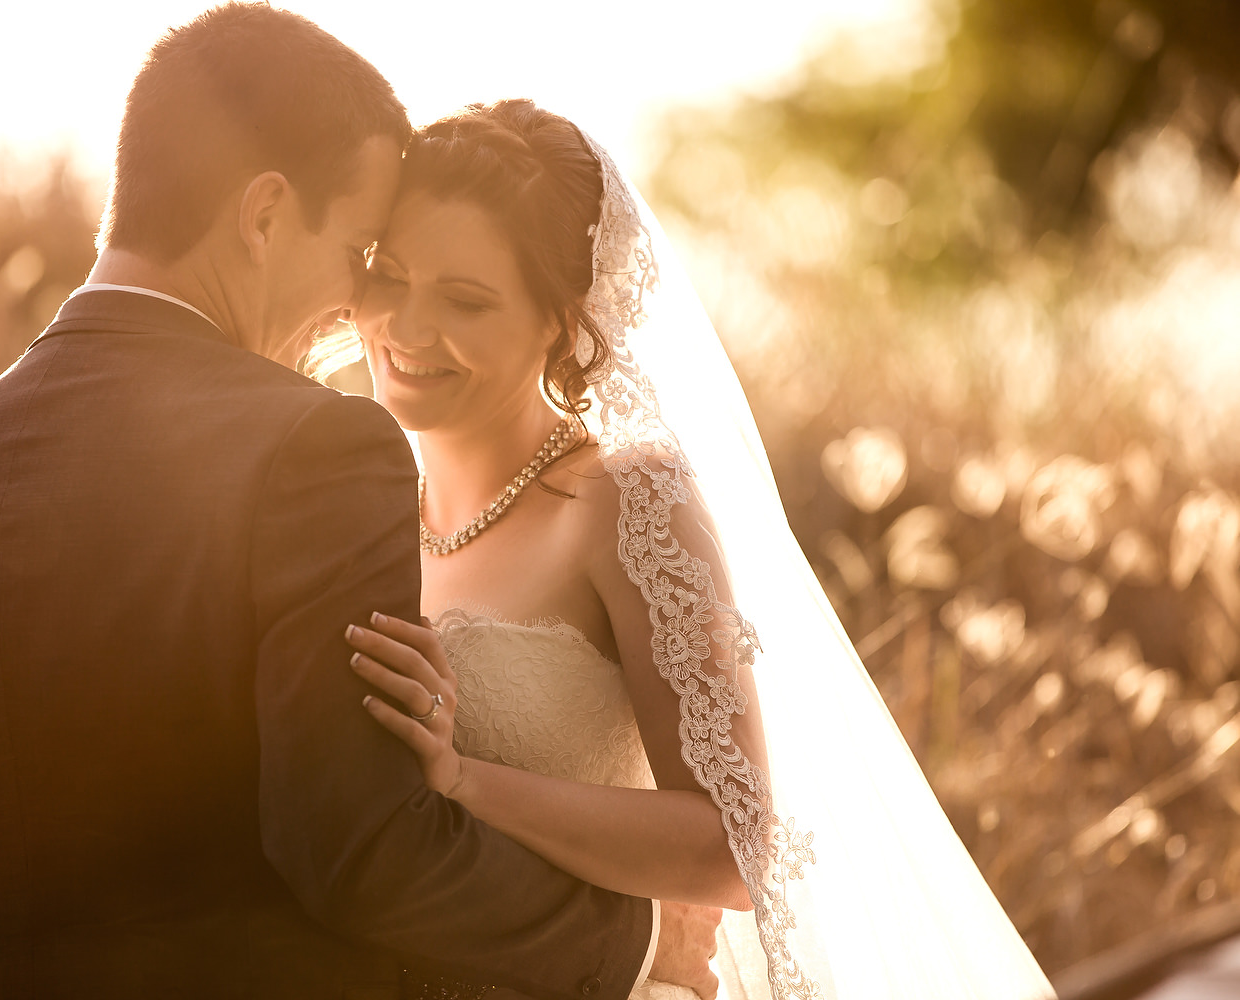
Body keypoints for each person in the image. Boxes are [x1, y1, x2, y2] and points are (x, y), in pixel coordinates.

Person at [0, 7, 720, 998]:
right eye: (361, 260)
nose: (358, 312)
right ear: (264, 215)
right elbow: (358, 852)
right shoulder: (315, 444)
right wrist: (633, 945)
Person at [340, 100, 1060, 999]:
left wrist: (463, 778)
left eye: (465, 299)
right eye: (390, 275)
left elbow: (734, 842)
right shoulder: (352, 503)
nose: (405, 327)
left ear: (562, 326)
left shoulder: (623, 499)